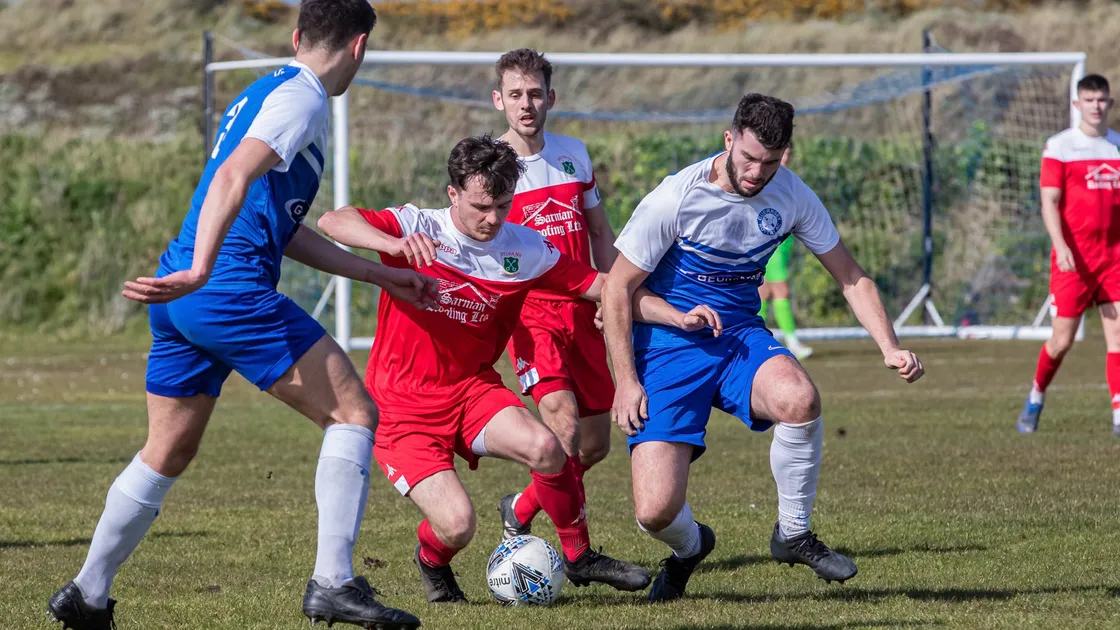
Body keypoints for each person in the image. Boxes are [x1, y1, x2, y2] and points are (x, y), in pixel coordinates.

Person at [47, 3, 430, 629]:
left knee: (166, 449)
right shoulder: (303, 100)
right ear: (359, 47)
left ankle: (88, 594)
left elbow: (284, 226)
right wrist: (203, 271)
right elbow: (230, 176)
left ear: (297, 35)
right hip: (222, 287)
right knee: (354, 413)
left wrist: (376, 271)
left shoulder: (265, 91)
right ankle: (334, 583)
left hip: (188, 297)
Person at [602, 93, 925, 603]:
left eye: (770, 162)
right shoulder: (676, 196)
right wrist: (626, 380)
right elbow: (617, 288)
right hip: (666, 345)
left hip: (738, 337)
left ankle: (793, 533)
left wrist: (889, 345)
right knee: (655, 512)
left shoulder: (793, 196)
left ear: (785, 155)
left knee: (801, 399)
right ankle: (690, 548)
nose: (756, 172)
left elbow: (851, 276)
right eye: (749, 158)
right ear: (729, 140)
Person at [317, 135, 650, 604]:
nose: (493, 218)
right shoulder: (417, 225)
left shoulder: (524, 248)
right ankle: (432, 562)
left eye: (503, 205)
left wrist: (674, 312)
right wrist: (392, 243)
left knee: (546, 447)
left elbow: (604, 286)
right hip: (401, 407)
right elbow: (334, 220)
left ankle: (578, 557)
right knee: (457, 525)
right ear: (452, 193)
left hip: (471, 391)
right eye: (481, 206)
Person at [487, 48, 619, 541]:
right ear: (499, 99)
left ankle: (520, 507)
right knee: (561, 427)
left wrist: (611, 295)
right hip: (530, 315)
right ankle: (576, 553)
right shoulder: (489, 166)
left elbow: (600, 231)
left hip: (584, 306)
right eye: (516, 95)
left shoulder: (574, 154)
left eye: (536, 94)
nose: (527, 104)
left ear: (551, 98)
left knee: (593, 445)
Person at [1018, 73, 1120, 435]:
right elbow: (1049, 202)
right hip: (1073, 260)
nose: (1096, 106)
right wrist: (1060, 246)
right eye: (1089, 100)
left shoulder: (1117, 147)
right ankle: (1036, 397)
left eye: (1102, 100)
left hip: (1114, 258)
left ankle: (1118, 415)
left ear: (1109, 103)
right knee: (1061, 341)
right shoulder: (1060, 146)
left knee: (1117, 336)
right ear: (1077, 104)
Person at [759, 142, 813, 360]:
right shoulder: (764, 179)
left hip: (784, 242)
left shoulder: (789, 181)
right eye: (782, 154)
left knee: (764, 292)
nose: (786, 158)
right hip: (772, 244)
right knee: (780, 290)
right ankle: (791, 341)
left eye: (789, 153)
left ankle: (760, 338)